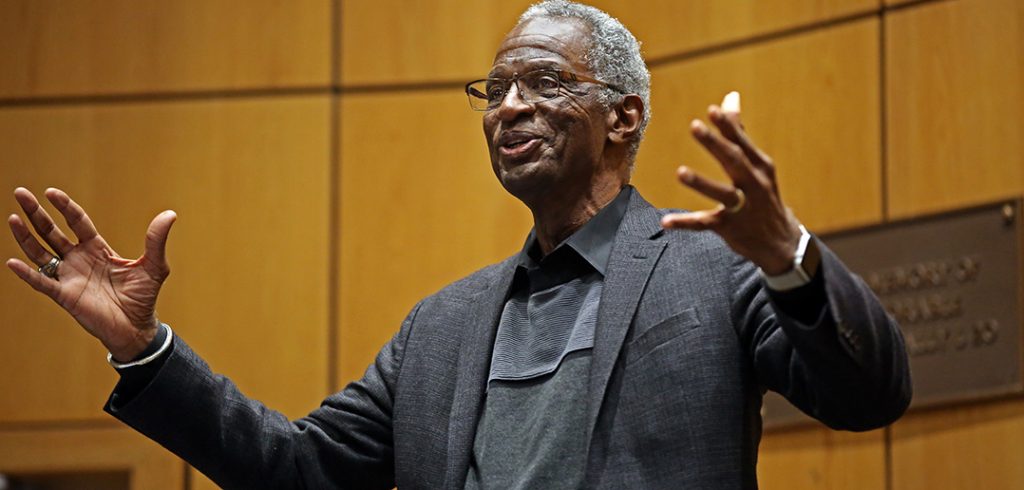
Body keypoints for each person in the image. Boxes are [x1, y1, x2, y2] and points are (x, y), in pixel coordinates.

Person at [6, 1, 911, 488]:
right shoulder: (442, 327)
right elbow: (300, 471)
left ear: (624, 117)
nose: (509, 107)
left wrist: (790, 255)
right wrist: (145, 350)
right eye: (496, 89)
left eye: (545, 83)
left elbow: (869, 394)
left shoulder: (715, 273)